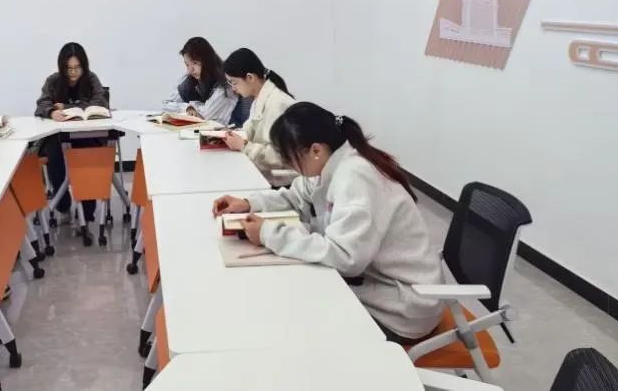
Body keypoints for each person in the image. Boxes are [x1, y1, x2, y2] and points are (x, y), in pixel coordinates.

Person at [212, 103, 443, 343]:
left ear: (315, 150)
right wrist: (248, 203)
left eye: (290, 158)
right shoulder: (329, 163)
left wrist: (269, 234)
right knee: (294, 297)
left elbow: (345, 257)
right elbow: (296, 196)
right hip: (375, 282)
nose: (289, 165)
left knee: (300, 321)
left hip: (403, 307)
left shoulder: (355, 177)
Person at [35, 42, 109, 223]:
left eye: (77, 68)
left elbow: (100, 102)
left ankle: (88, 211)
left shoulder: (91, 79)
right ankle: (63, 206)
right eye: (69, 68)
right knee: (54, 157)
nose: (73, 72)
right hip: (59, 138)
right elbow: (42, 104)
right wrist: (52, 112)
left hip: (87, 135)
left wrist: (66, 107)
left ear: (84, 66)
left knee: (88, 155)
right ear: (62, 67)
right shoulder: (53, 81)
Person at [221, 48, 295, 180]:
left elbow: (280, 158)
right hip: (264, 173)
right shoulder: (259, 98)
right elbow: (251, 132)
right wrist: (233, 135)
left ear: (250, 78)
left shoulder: (277, 103)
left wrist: (244, 146)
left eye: (234, 82)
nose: (233, 88)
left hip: (280, 181)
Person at [167, 37, 237, 125]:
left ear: (207, 61)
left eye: (195, 63)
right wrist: (187, 108)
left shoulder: (225, 83)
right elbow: (167, 105)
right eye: (187, 64)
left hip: (223, 131)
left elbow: (206, 114)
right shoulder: (190, 79)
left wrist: (191, 106)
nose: (190, 70)